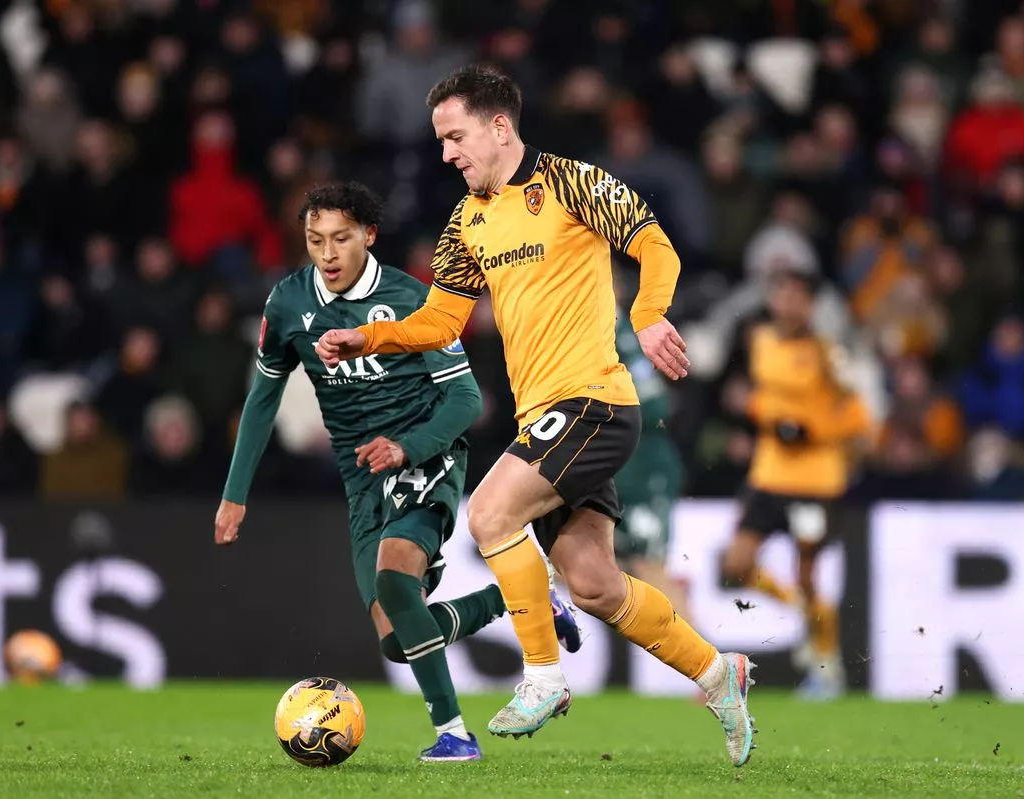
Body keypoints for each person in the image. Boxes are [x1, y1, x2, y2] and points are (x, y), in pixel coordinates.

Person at [317, 66, 757, 767]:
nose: (446, 154)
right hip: (543, 417)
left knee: (490, 514)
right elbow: (441, 319)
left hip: (594, 401)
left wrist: (647, 316)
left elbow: (653, 242)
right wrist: (368, 335)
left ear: (500, 127)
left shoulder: (572, 183)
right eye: (439, 141)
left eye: (455, 136)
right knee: (593, 582)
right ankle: (717, 673)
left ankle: (545, 676)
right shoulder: (466, 219)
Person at [214, 182, 582, 763]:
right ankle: (527, 597)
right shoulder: (287, 304)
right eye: (315, 241)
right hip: (360, 478)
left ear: (369, 235)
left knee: (393, 579)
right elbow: (264, 398)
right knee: (396, 639)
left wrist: (406, 447)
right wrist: (235, 496)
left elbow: (466, 401)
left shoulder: (413, 300)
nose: (327, 254)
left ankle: (454, 735)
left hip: (426, 456)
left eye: (340, 238)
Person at [721, 268, 873, 700]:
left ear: (809, 304)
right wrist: (757, 410)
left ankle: (827, 671)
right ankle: (807, 615)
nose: (786, 304)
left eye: (795, 297)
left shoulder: (828, 351)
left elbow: (857, 414)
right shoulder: (761, 341)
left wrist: (811, 430)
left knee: (807, 575)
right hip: (768, 476)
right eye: (780, 295)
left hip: (814, 482)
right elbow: (762, 397)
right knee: (736, 565)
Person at [610, 273, 693, 635]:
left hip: (645, 471)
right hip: (610, 471)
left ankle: (713, 667)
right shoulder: (582, 329)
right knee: (573, 563)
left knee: (649, 566)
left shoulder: (624, 333)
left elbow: (655, 403)